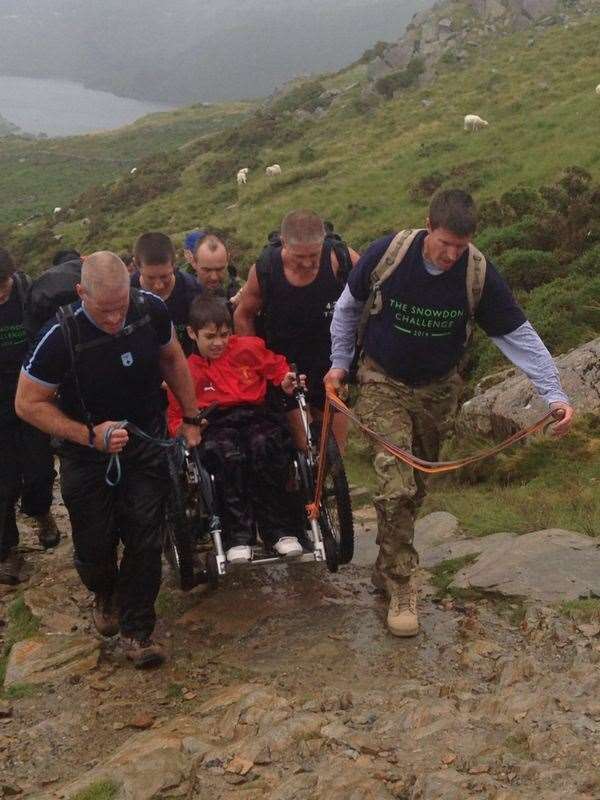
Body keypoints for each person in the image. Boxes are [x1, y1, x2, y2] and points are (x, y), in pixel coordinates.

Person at [325, 188, 574, 639]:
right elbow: (347, 308)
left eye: (460, 247)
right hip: (383, 381)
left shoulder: (476, 273)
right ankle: (402, 585)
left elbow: (517, 334)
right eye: (444, 244)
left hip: (439, 392)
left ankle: (386, 562)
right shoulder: (389, 254)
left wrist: (553, 392)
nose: (450, 254)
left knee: (416, 487)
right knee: (396, 481)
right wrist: (339, 364)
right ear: (428, 226)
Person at [16, 252, 202, 668]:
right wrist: (88, 435)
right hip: (86, 451)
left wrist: (190, 416)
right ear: (82, 293)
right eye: (105, 310)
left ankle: (139, 632)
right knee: (95, 543)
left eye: (121, 306)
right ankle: (105, 591)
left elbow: (172, 357)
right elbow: (27, 403)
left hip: (145, 437)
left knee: (144, 534)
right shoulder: (59, 335)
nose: (116, 318)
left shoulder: (149, 309)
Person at [167, 296, 305, 563]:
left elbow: (276, 367)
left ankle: (278, 531)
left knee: (266, 447)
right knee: (225, 456)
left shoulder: (247, 349)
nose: (219, 343)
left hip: (256, 416)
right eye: (210, 337)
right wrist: (184, 429)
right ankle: (238, 537)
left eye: (224, 334)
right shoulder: (187, 371)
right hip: (215, 423)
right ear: (193, 334)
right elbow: (176, 414)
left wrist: (286, 379)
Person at [233, 209, 360, 450]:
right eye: (298, 256)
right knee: (303, 448)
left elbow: (372, 294)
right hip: (285, 364)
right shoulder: (266, 268)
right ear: (284, 243)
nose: (307, 262)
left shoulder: (341, 259)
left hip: (331, 359)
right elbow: (243, 314)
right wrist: (254, 363)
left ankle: (334, 482)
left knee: (336, 454)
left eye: (313, 255)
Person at [0, 249, 58, 584]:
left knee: (39, 470)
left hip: (33, 396)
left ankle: (40, 511)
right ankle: (7, 550)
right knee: (3, 481)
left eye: (3, 285)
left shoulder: (30, 296)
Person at [130, 232, 201, 355]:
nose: (159, 285)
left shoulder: (192, 290)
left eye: (164, 276)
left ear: (174, 263)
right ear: (136, 264)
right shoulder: (127, 292)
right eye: (150, 278)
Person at [184, 230, 241, 302]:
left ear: (227, 260)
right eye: (207, 270)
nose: (214, 277)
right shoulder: (182, 294)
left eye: (219, 269)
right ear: (193, 262)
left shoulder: (237, 292)